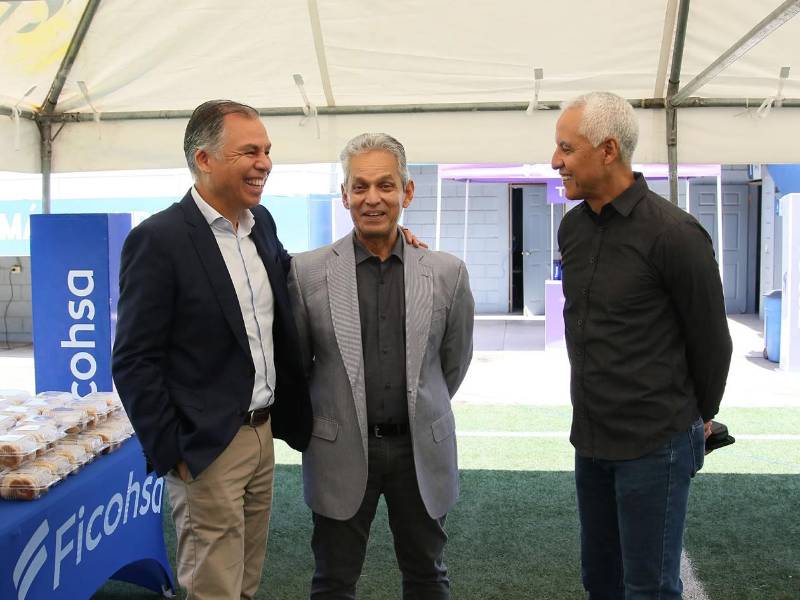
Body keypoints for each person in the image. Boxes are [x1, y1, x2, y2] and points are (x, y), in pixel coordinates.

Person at [112, 100, 313, 600]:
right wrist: (174, 451)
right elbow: (134, 360)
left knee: (243, 582)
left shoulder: (260, 222)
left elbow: (295, 277)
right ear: (204, 159)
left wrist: (379, 240)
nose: (265, 162)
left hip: (262, 434)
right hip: (206, 448)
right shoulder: (158, 239)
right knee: (212, 589)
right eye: (250, 151)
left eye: (267, 150)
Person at [552, 91, 733, 599]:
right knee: (601, 582)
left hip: (656, 445)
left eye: (567, 148)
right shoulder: (572, 228)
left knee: (649, 588)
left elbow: (712, 343)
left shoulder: (675, 235)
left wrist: (697, 419)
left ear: (608, 150)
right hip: (590, 441)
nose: (555, 161)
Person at [288, 133, 475, 599]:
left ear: (407, 192)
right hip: (339, 451)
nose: (373, 198)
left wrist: (420, 407)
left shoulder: (447, 272)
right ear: (345, 194)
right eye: (361, 186)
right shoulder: (306, 272)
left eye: (386, 186)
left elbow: (452, 364)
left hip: (420, 451)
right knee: (333, 581)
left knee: (427, 577)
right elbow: (299, 364)